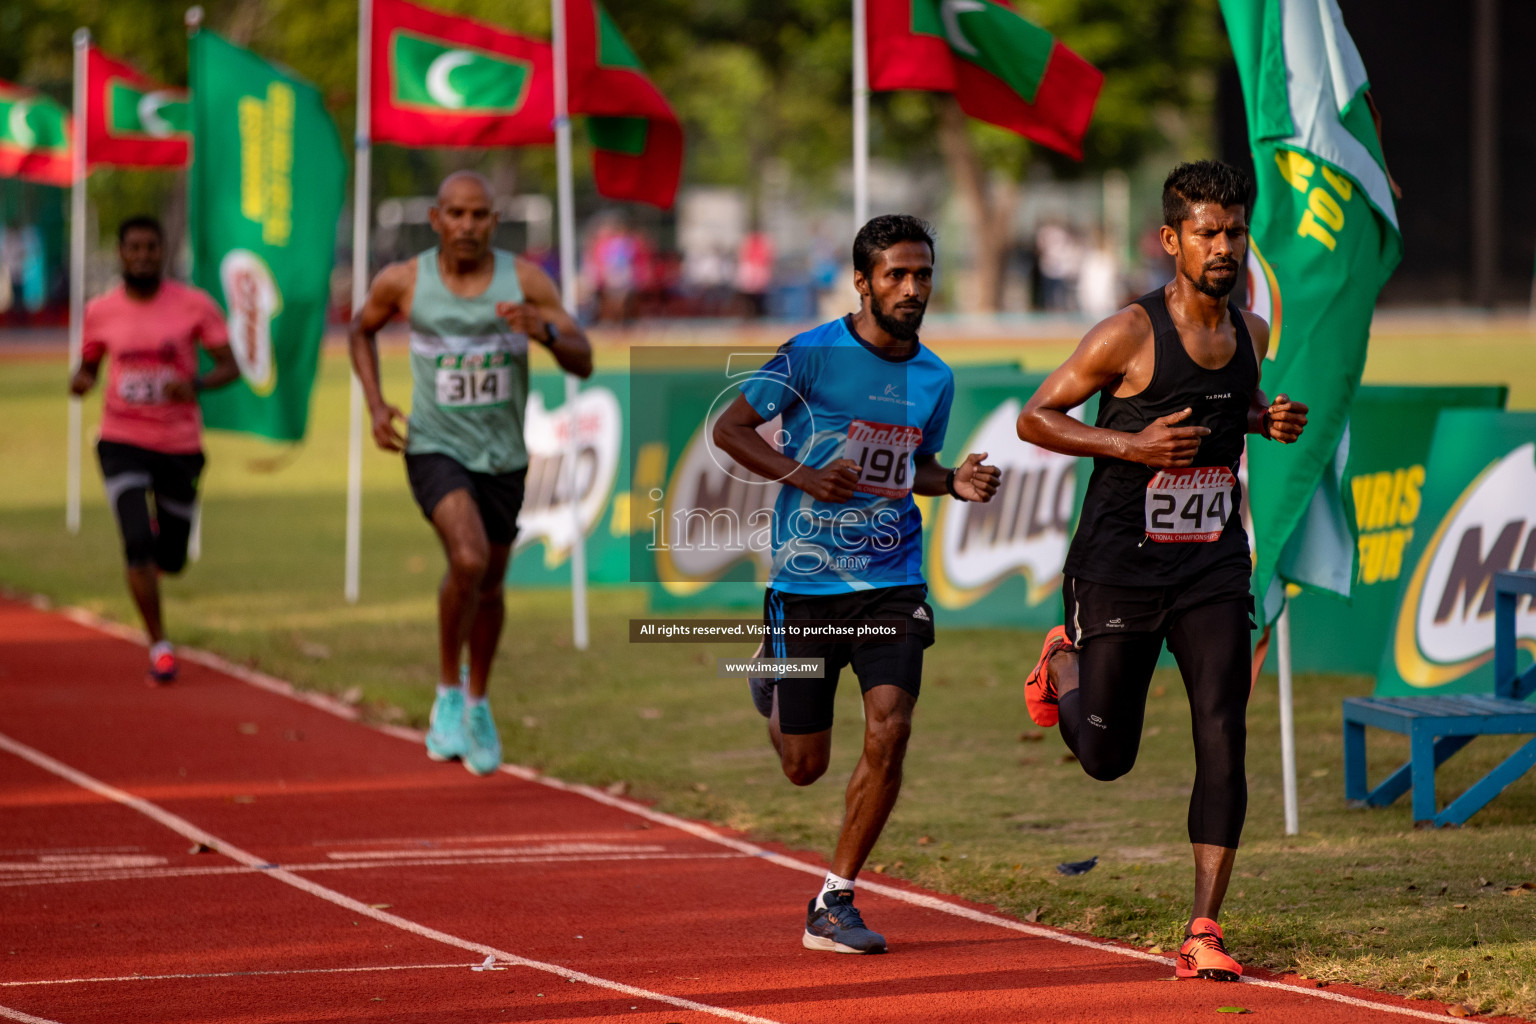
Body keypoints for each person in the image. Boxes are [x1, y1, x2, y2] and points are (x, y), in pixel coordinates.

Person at [1015, 161, 1308, 981]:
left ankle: (1203, 928)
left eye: (1236, 232)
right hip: (1118, 563)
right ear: (1172, 240)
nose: (1225, 247)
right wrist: (1131, 446)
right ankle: (1062, 661)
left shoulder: (1251, 332)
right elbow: (1034, 417)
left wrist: (1262, 418)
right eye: (1209, 233)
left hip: (1211, 558)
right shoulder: (1128, 333)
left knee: (1224, 725)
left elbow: (1222, 414)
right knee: (1108, 757)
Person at [713, 214, 999, 954]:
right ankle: (772, 681)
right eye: (897, 275)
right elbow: (731, 430)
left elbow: (915, 469)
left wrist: (954, 480)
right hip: (806, 583)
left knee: (891, 729)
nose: (913, 288)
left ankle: (834, 899)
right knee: (805, 767)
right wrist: (806, 475)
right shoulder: (809, 356)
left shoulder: (935, 375)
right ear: (864, 281)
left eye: (924, 274)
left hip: (891, 581)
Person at [349, 171, 592, 777]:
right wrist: (377, 405)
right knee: (467, 558)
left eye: (479, 215)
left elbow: (582, 358)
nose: (466, 225)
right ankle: (445, 692)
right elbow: (361, 330)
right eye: (455, 214)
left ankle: (478, 700)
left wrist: (547, 331)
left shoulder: (526, 281)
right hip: (434, 446)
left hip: (504, 455)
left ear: (493, 220)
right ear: (436, 218)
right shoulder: (405, 281)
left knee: (490, 585)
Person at [69, 215, 240, 684]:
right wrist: (82, 380)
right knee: (136, 540)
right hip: (121, 439)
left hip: (178, 445)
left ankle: (155, 570)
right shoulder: (101, 311)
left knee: (172, 558)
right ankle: (159, 645)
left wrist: (197, 383)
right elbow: (89, 364)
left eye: (151, 247)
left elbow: (231, 366)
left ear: (163, 252)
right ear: (120, 253)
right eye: (134, 247)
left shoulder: (194, 306)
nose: (143, 255)